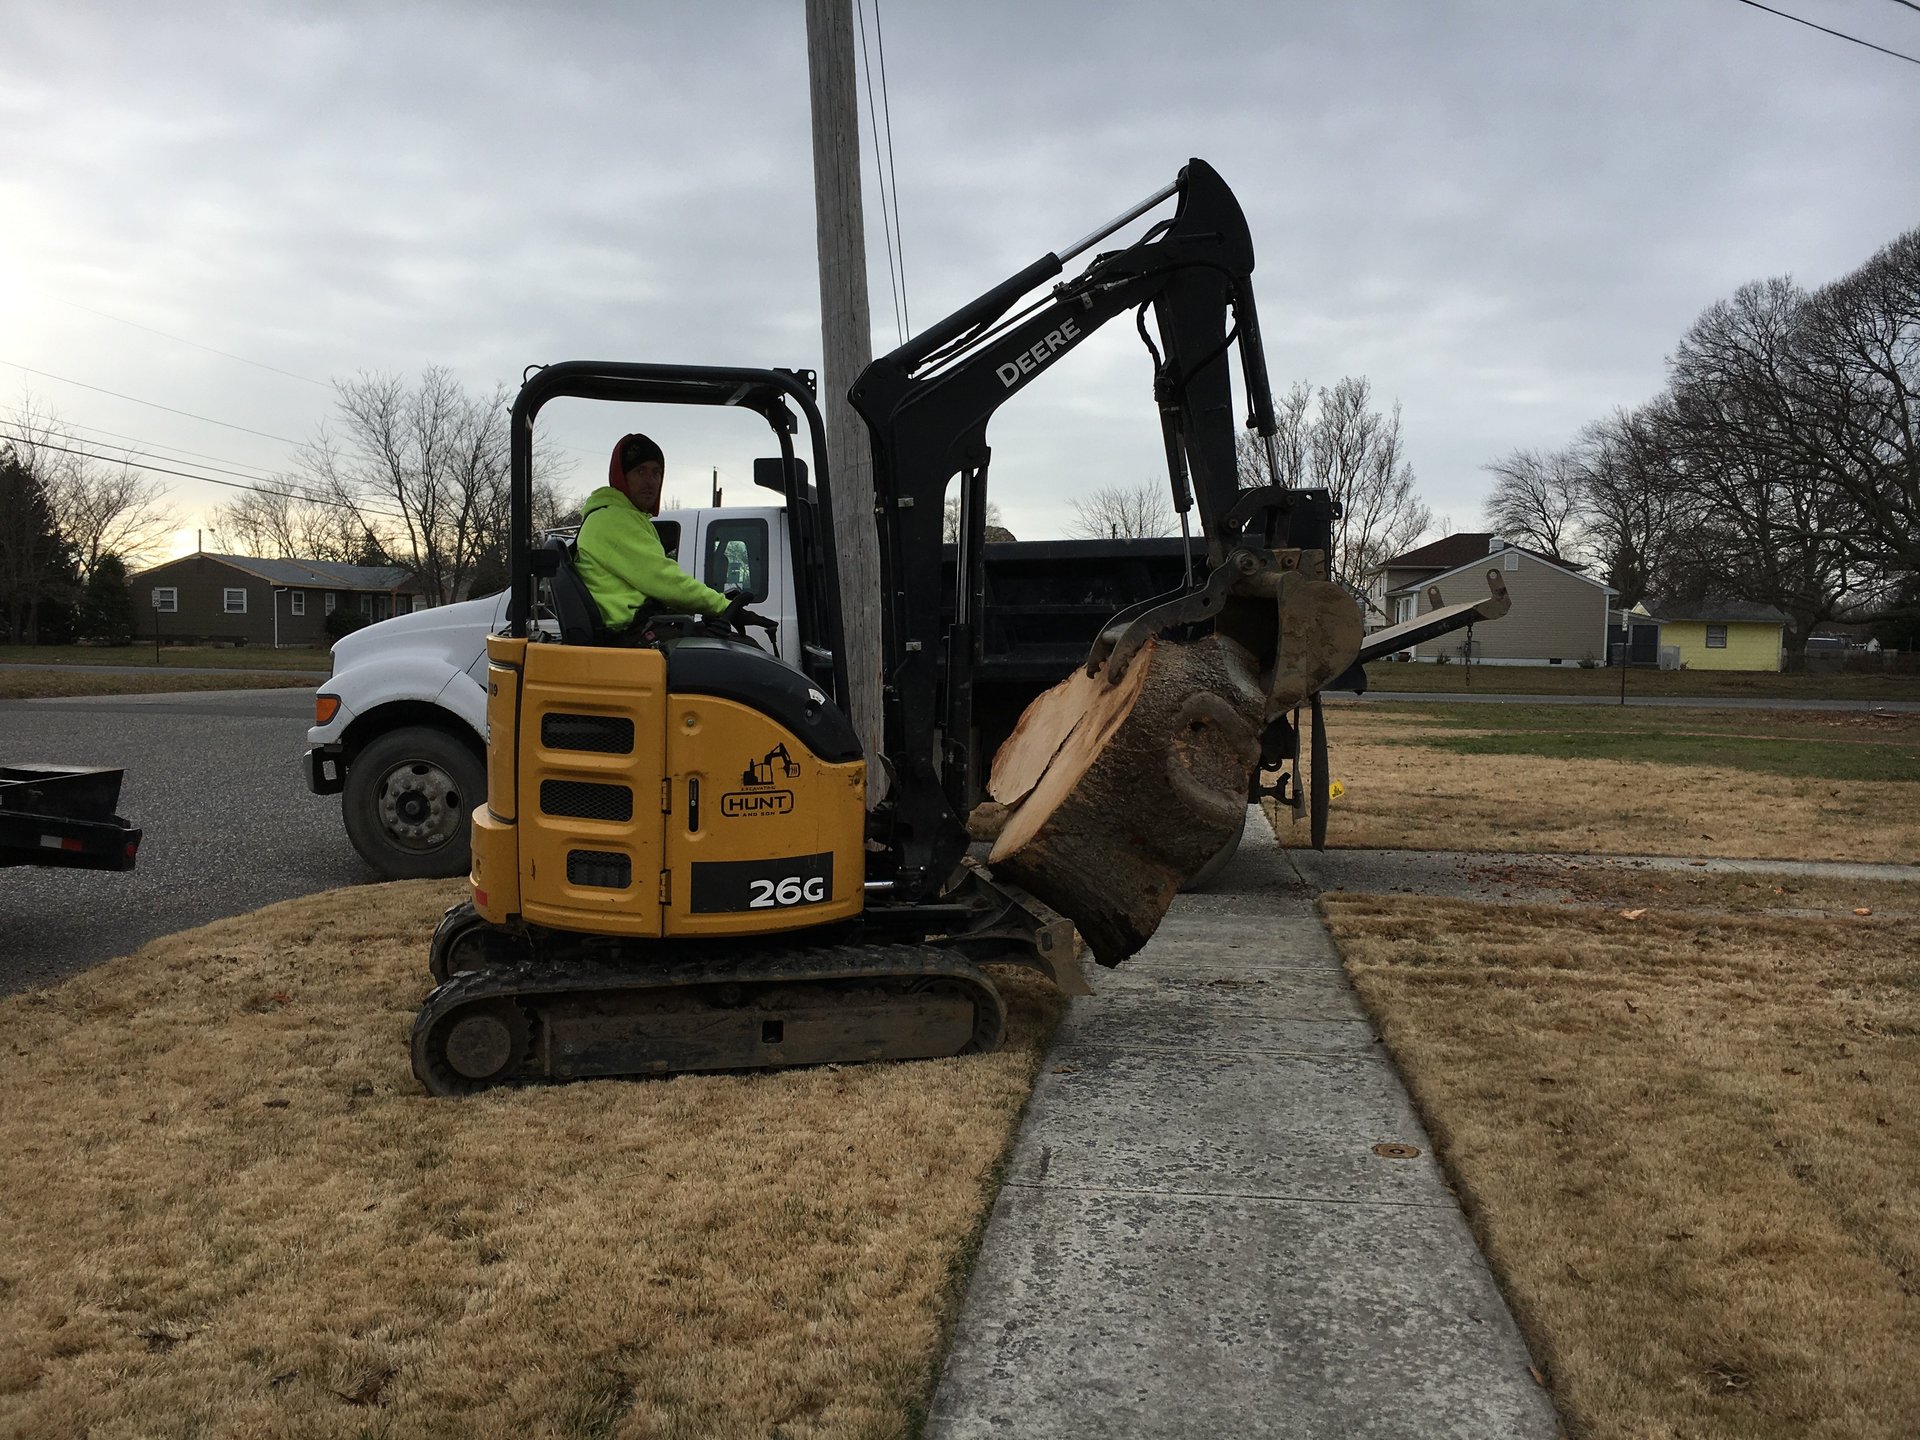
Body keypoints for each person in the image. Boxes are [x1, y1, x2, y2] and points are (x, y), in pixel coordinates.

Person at [574, 433, 775, 642]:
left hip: (637, 629)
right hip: (628, 636)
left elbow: (656, 585)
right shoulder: (613, 519)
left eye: (656, 473)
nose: (650, 481)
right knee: (739, 653)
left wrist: (716, 606)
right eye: (640, 471)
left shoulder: (622, 517)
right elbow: (664, 580)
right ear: (621, 477)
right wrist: (723, 606)